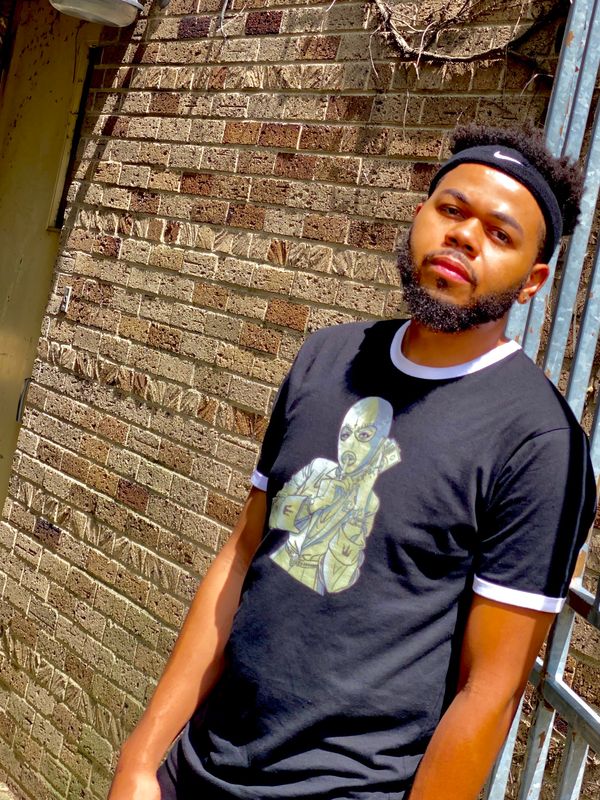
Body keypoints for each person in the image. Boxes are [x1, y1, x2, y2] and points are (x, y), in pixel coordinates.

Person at [108, 124, 597, 800]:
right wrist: (140, 759)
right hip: (198, 765)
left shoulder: (539, 444)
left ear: (533, 281)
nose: (463, 236)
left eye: (499, 233)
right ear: (420, 216)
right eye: (451, 210)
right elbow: (244, 554)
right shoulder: (327, 358)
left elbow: (490, 688)